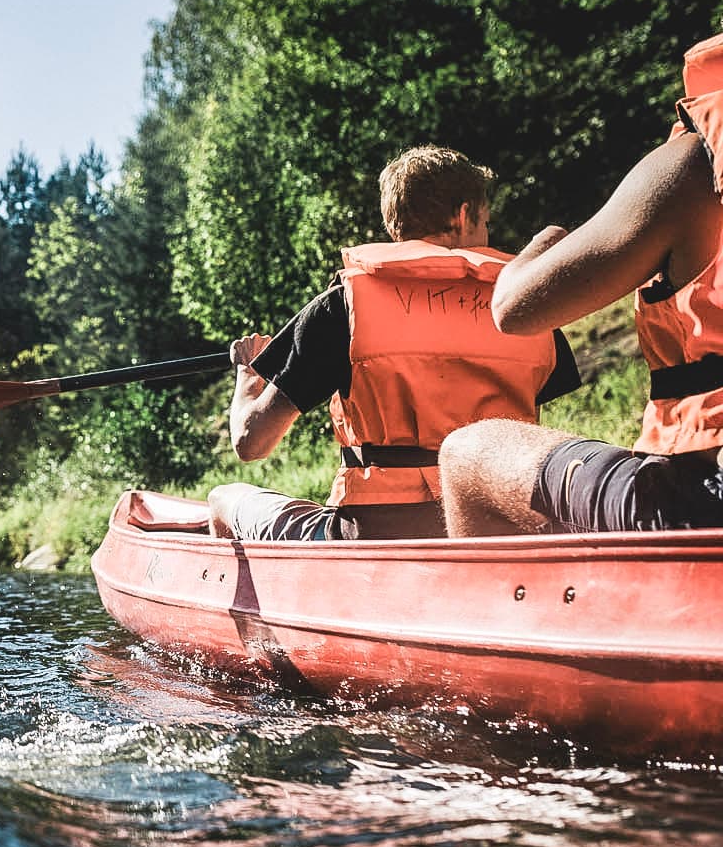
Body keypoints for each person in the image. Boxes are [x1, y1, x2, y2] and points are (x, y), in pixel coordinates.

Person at [208, 145, 582, 541]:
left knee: (224, 497)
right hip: (497, 527)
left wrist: (248, 372)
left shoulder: (344, 308)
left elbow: (251, 442)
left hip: (376, 534)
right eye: (485, 222)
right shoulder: (522, 306)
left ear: (395, 227)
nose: (486, 234)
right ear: (462, 215)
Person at [440, 29, 723, 535]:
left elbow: (512, 307)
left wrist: (546, 240)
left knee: (468, 450)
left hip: (703, 503)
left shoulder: (692, 164)